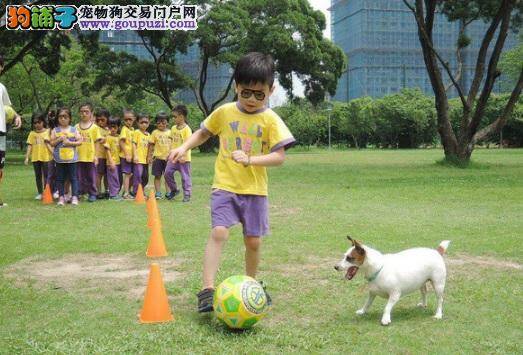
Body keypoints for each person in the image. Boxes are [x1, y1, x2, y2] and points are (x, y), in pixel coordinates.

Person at [168, 52, 296, 312]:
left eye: (259, 94)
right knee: (219, 232)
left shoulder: (270, 119)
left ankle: (251, 285)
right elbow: (204, 132)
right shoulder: (225, 112)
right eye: (245, 92)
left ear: (271, 90)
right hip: (224, 185)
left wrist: (251, 160)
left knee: (253, 242)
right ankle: (206, 289)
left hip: (255, 190)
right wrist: (183, 147)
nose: (251, 99)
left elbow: (279, 156)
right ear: (236, 86)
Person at [0, 54, 22, 207]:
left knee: (0, 167)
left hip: (0, 131)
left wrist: (17, 116)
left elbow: (7, 108)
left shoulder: (2, 88)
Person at [49, 107, 82, 206]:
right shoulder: (55, 130)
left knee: (73, 178)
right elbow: (51, 143)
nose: (63, 119)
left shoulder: (73, 129)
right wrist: (59, 139)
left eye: (65, 117)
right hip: (59, 160)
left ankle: (74, 196)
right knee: (60, 179)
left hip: (72, 160)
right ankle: (61, 197)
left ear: (70, 118)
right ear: (58, 118)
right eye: (60, 117)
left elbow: (80, 141)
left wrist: (70, 143)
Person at [165, 104, 192, 202]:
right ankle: (174, 190)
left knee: (185, 178)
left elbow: (188, 144)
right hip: (173, 157)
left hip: (184, 159)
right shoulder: (173, 128)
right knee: (167, 173)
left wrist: (183, 156)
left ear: (181, 117)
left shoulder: (187, 129)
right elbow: (171, 142)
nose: (173, 119)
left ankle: (187, 195)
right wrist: (169, 154)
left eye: (175, 117)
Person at [76, 103, 101, 202]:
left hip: (90, 156)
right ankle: (79, 192)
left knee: (91, 176)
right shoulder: (76, 127)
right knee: (79, 176)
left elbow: (97, 142)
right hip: (78, 156)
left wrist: (96, 156)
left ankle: (92, 193)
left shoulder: (94, 127)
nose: (84, 114)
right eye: (82, 111)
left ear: (91, 113)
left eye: (86, 111)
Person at [24, 112, 52, 200]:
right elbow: (29, 145)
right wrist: (27, 157)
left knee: (47, 175)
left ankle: (47, 191)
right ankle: (40, 193)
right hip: (35, 158)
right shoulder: (32, 133)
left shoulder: (48, 131)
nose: (37, 125)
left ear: (43, 122)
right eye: (35, 123)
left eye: (39, 122)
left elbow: (52, 143)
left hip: (46, 158)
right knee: (38, 176)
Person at [148, 112, 172, 200]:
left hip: (168, 159)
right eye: (158, 123)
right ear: (156, 123)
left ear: (167, 123)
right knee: (157, 176)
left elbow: (174, 145)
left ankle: (169, 193)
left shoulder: (171, 132)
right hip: (157, 158)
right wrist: (149, 157)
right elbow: (150, 145)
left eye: (163, 122)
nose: (161, 124)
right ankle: (158, 193)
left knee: (168, 177)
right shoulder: (154, 132)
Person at [104, 117, 122, 200]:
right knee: (113, 178)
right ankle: (113, 195)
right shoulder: (108, 137)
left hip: (118, 162)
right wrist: (111, 161)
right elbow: (107, 150)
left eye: (115, 127)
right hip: (111, 162)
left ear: (118, 127)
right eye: (111, 127)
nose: (113, 129)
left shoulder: (119, 137)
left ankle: (116, 193)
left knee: (117, 178)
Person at [132, 114, 150, 196]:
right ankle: (136, 192)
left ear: (149, 123)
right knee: (138, 175)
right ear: (138, 123)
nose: (144, 124)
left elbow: (150, 147)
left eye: (146, 122)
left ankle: (141, 190)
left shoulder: (149, 135)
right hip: (138, 159)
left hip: (145, 160)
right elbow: (134, 144)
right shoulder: (137, 132)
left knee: (145, 177)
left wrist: (150, 157)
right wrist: (135, 156)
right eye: (142, 122)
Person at [119, 109, 135, 199]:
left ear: (134, 119)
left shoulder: (132, 130)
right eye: (126, 120)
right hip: (126, 156)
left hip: (133, 157)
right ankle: (126, 193)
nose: (128, 121)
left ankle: (128, 191)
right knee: (127, 174)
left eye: (130, 119)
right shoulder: (124, 129)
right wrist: (127, 154)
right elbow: (121, 142)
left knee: (132, 174)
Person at [95, 108, 110, 199]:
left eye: (103, 120)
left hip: (108, 156)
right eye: (98, 120)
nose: (100, 122)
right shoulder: (96, 129)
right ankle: (98, 191)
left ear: (108, 119)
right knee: (99, 175)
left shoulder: (110, 129)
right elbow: (99, 140)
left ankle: (107, 191)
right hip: (99, 156)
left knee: (107, 175)